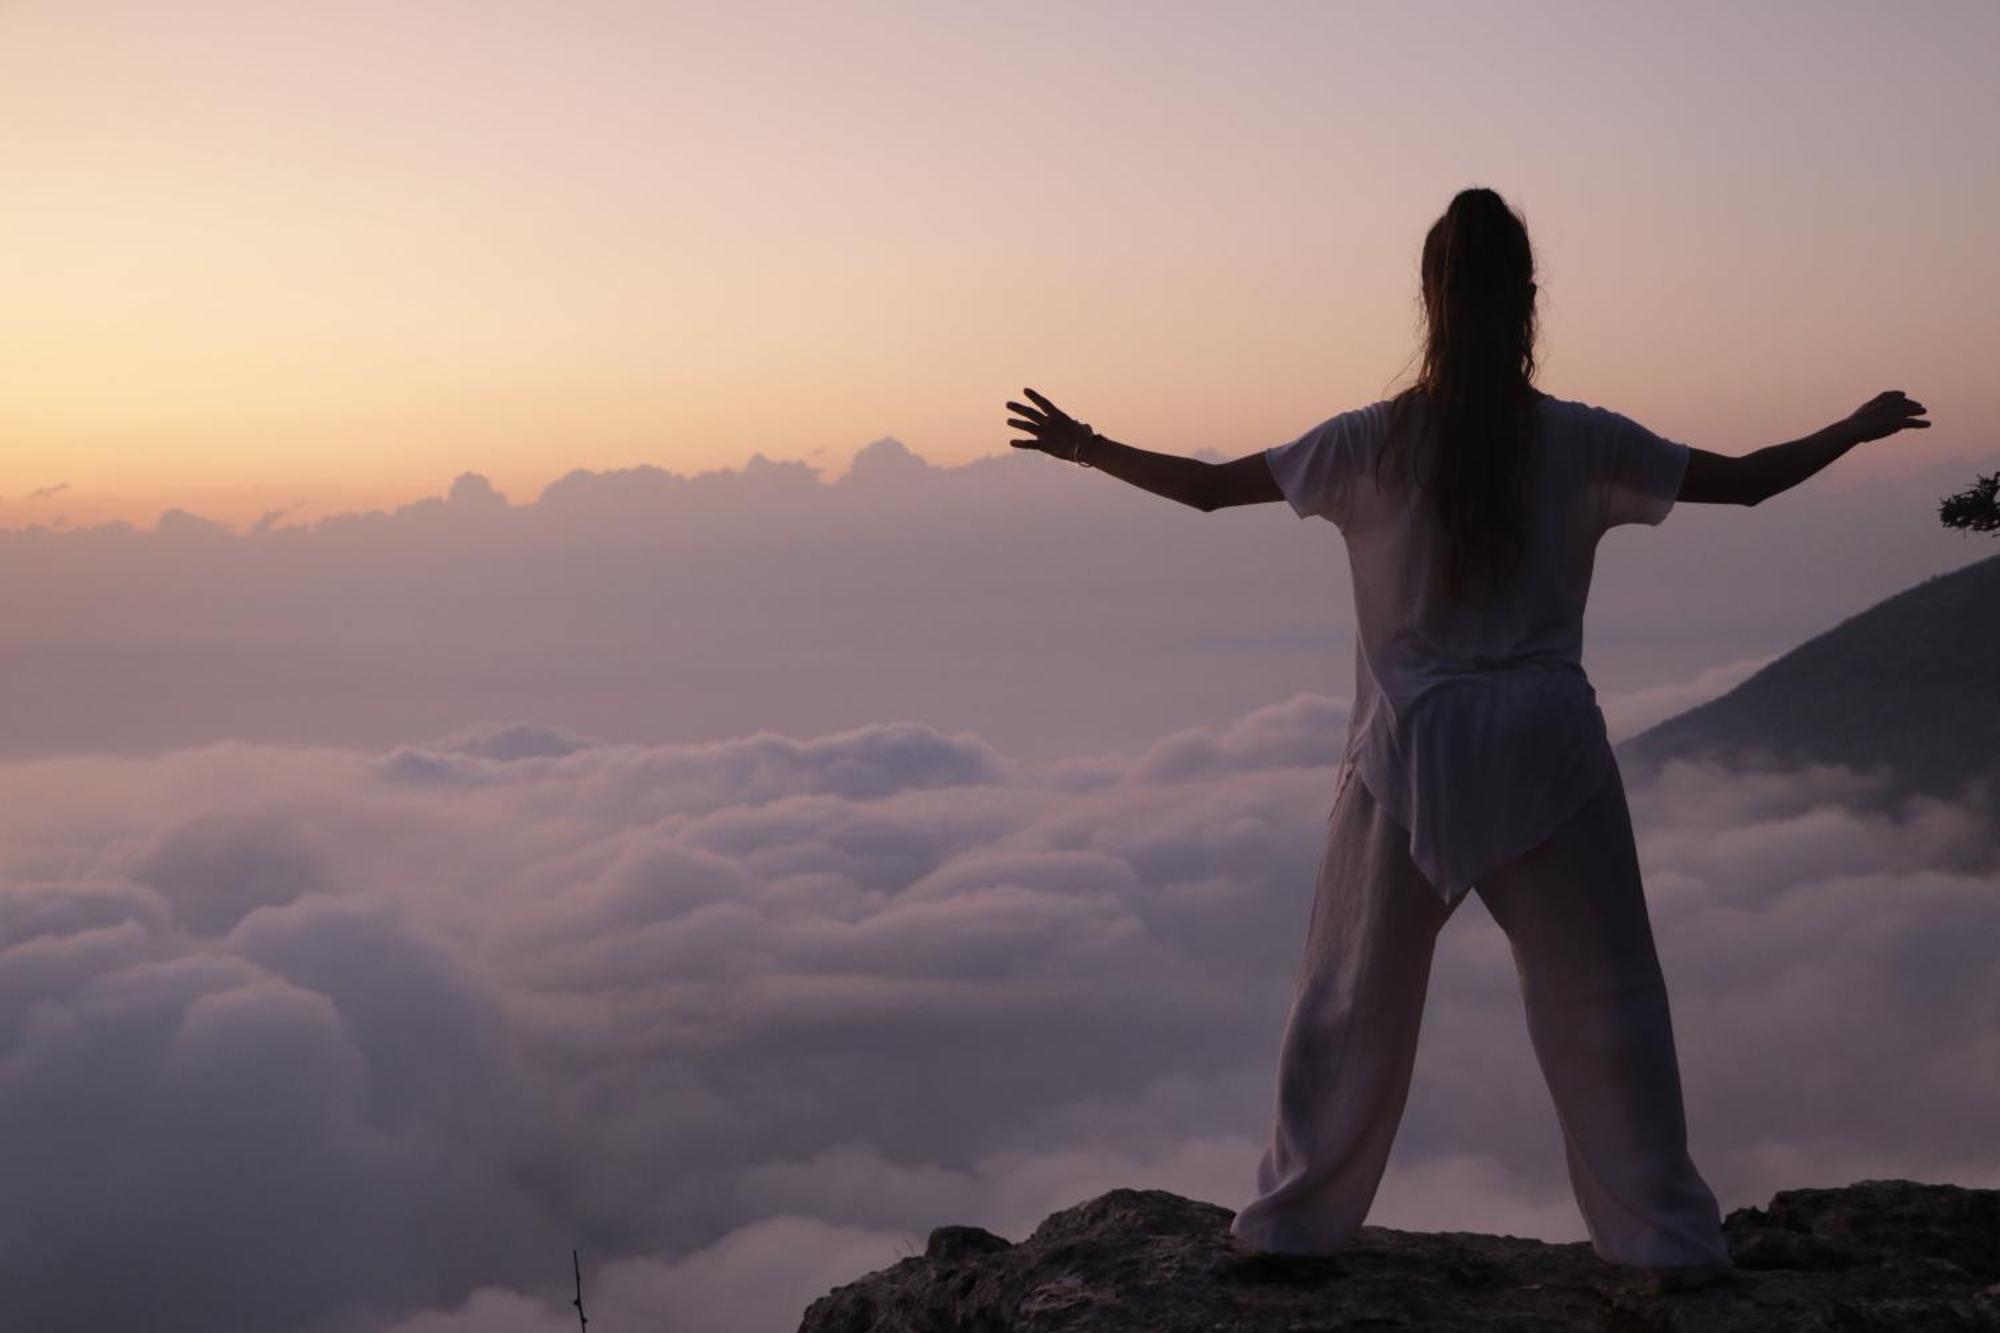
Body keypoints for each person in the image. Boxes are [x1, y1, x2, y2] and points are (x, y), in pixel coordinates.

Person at [1002, 185, 1929, 1291]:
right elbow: (1743, 486)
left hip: (1408, 753)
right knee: (1605, 999)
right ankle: (1663, 1238)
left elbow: (1206, 493)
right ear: (1527, 300)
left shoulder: (1370, 441)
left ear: (1428, 299)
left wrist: (1087, 445)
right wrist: (1853, 426)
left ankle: (1294, 1225)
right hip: (1549, 747)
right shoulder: (1579, 438)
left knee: (1349, 1000)